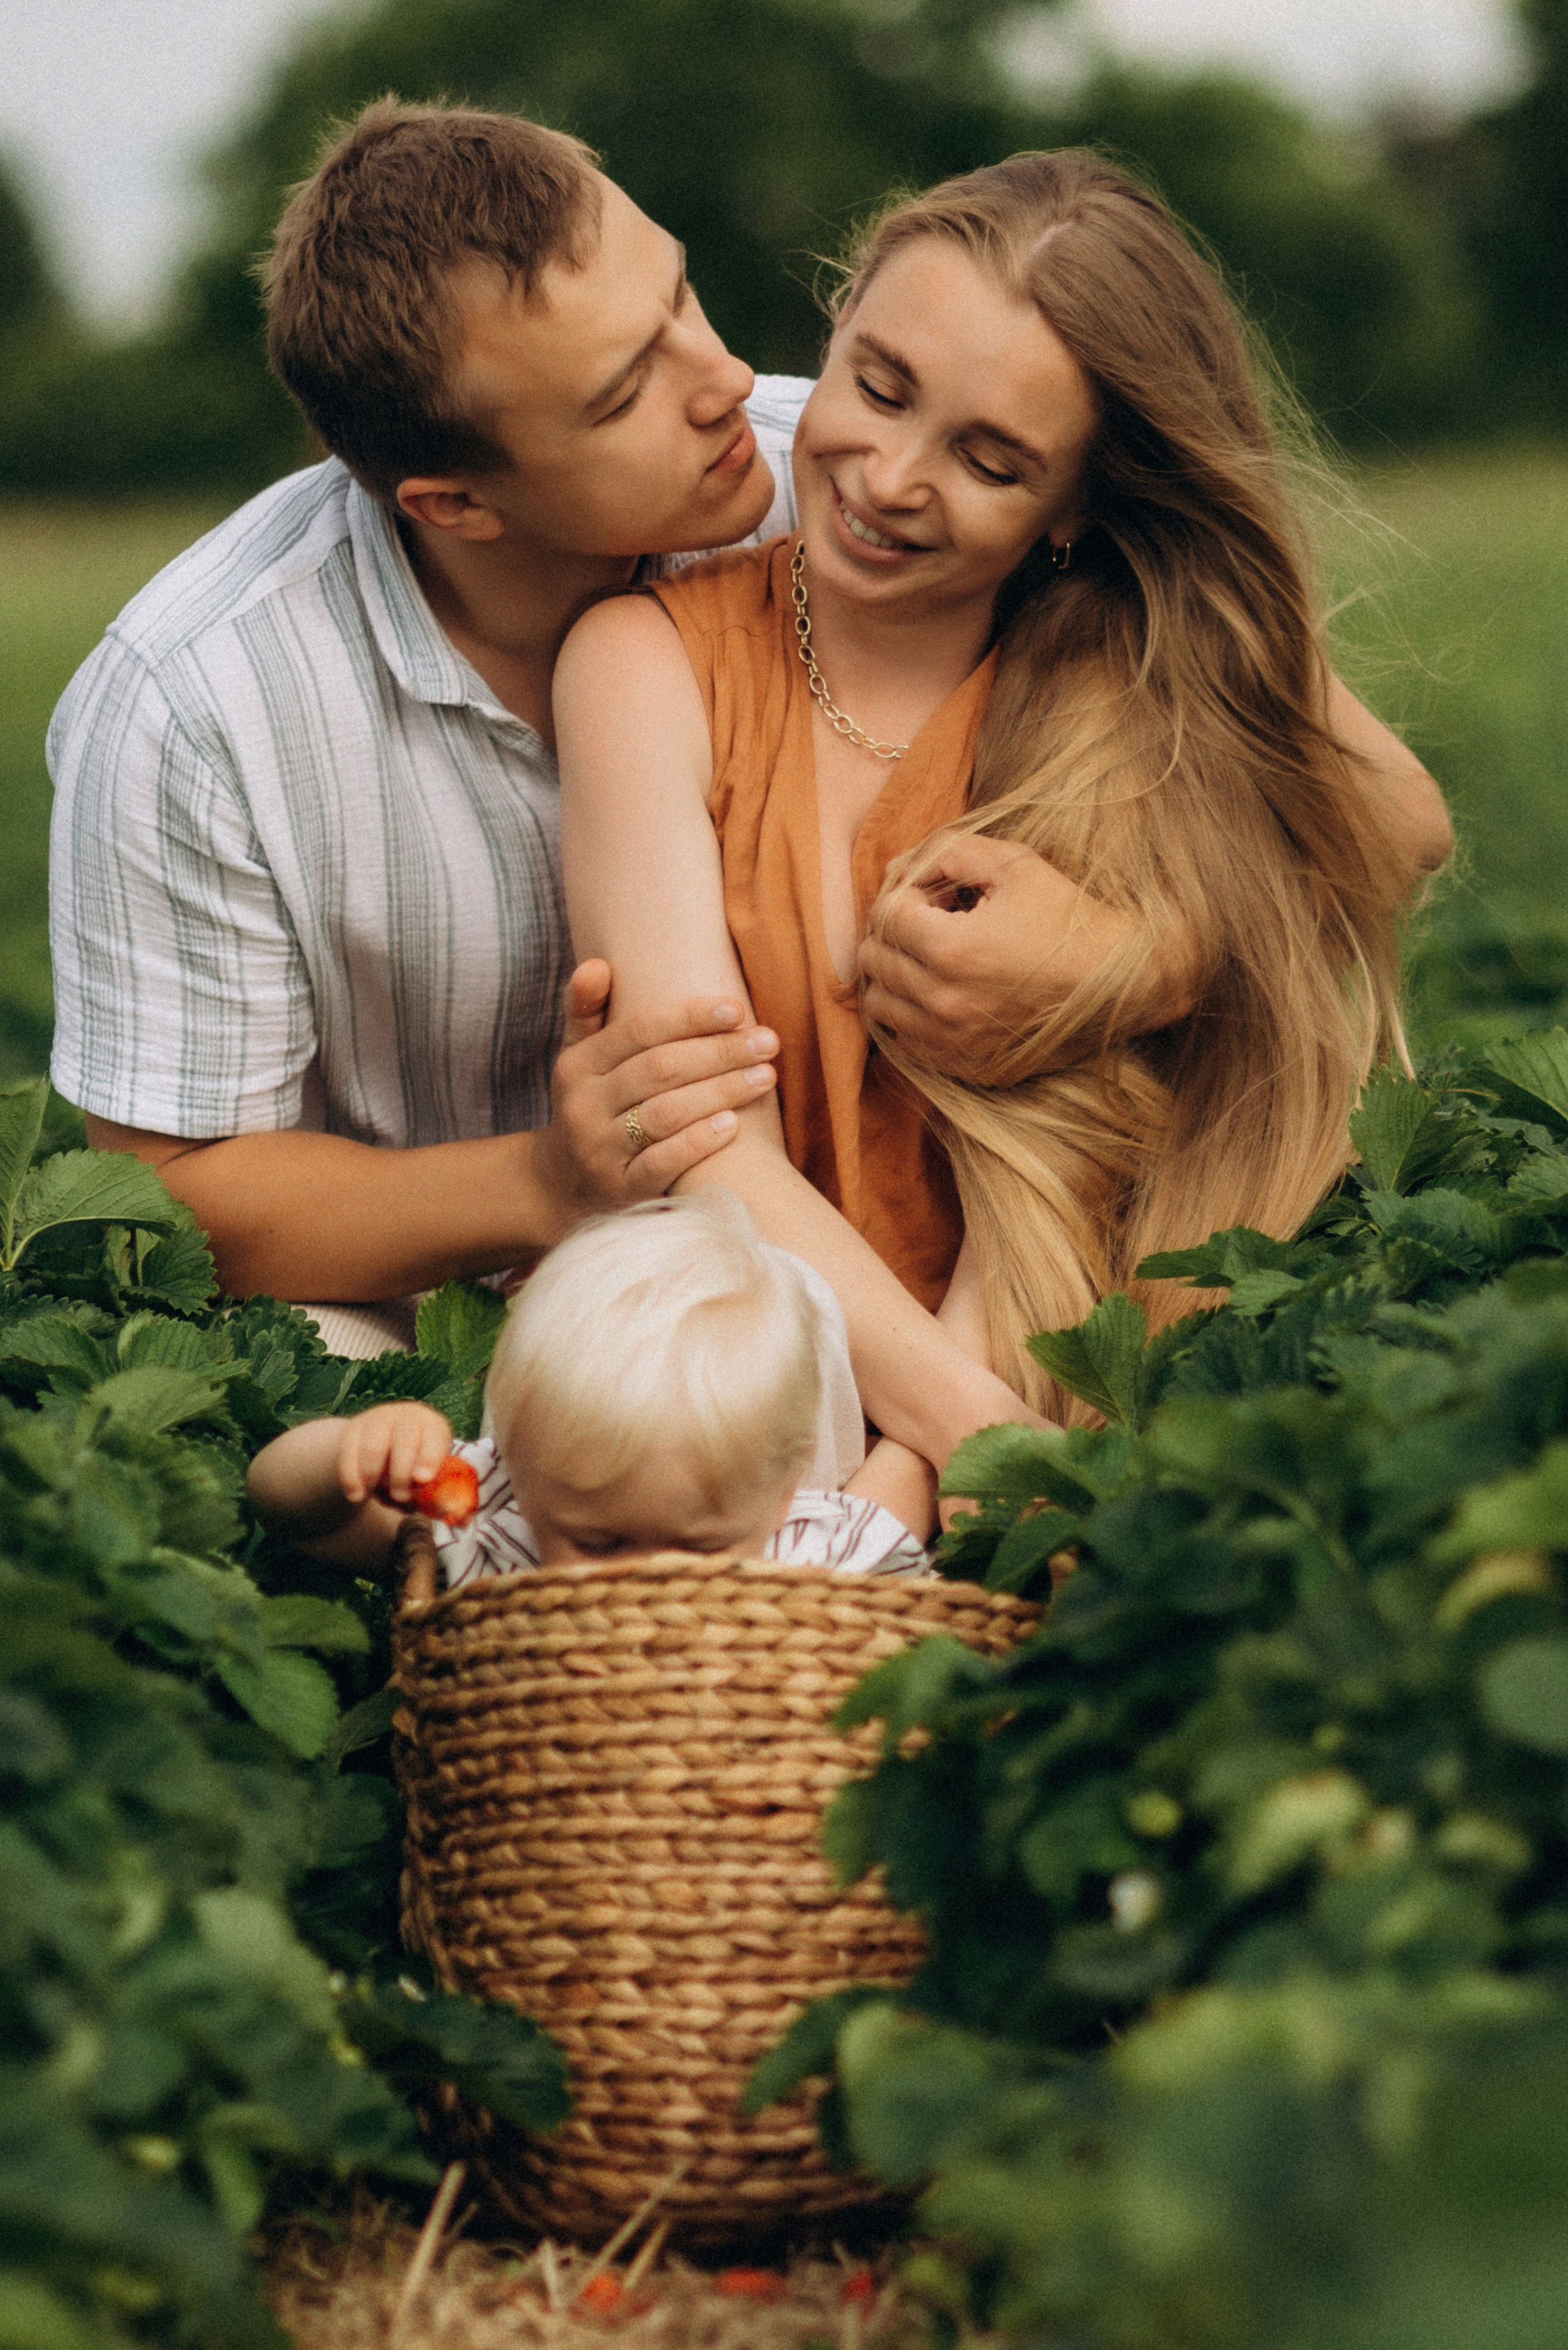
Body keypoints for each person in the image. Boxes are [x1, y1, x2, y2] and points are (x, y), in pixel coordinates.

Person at [47, 102, 1152, 1358]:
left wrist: (1135, 952)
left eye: (678, 299)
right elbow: (171, 1192)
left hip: (829, 1265)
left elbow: (1356, 801)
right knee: (321, 1398)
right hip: (418, 1310)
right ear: (455, 503)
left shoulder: (852, 473)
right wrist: (545, 1180)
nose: (724, 378)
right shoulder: (192, 699)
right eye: (629, 388)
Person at [554, 149, 1453, 1459]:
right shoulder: (646, 664)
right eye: (877, 385)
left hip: (1076, 1351)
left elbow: (1398, 829)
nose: (890, 478)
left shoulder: (1121, 673)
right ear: (839, 322)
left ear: (1073, 505)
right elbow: (704, 1143)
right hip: (757, 1382)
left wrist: (1141, 956)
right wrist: (966, 1451)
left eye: (988, 459)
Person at [246, 1193, 930, 1577]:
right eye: (598, 1544)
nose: (643, 1584)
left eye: (700, 1547)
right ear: (518, 1472)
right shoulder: (496, 1534)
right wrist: (350, 1455)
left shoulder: (814, 1561)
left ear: (782, 1498)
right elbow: (292, 1511)